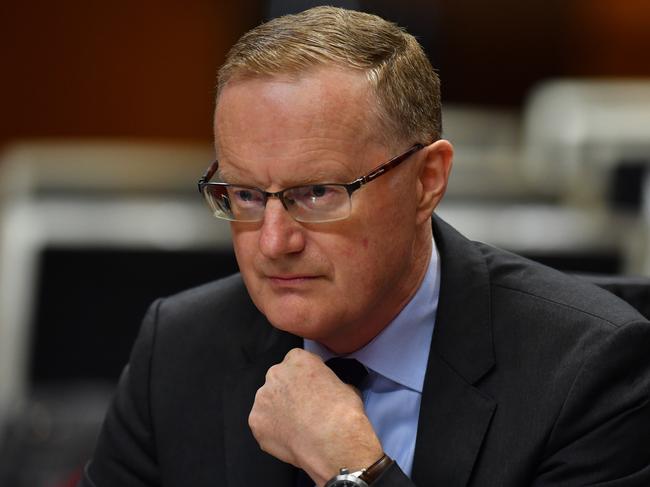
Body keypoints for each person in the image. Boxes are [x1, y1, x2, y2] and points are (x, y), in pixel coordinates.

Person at [80, 6, 650, 487]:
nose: (274, 243)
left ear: (427, 180)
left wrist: (352, 470)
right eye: (247, 195)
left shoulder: (586, 373)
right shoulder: (179, 348)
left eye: (317, 192)